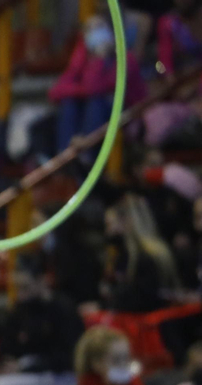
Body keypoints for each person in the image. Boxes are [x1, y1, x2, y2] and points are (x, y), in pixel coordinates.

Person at [0, 254, 85, 385]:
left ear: (42, 280)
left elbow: (69, 357)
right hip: (28, 376)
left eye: (26, 287)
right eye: (18, 288)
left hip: (59, 376)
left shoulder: (63, 309)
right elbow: (7, 347)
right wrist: (7, 364)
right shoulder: (19, 310)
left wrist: (25, 365)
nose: (21, 293)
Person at [50, 14, 145, 158]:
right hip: (90, 116)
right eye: (89, 29)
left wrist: (99, 60)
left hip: (126, 114)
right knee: (69, 103)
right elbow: (56, 91)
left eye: (99, 27)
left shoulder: (126, 59)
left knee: (97, 102)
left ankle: (87, 155)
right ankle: (65, 154)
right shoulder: (81, 57)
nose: (95, 32)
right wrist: (81, 90)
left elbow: (96, 88)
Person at [102, 193, 182, 314]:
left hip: (149, 324)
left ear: (127, 222)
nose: (107, 232)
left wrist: (105, 304)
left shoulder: (143, 257)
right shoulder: (154, 251)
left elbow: (142, 299)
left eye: (109, 225)